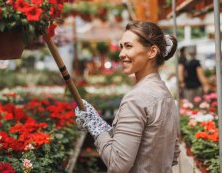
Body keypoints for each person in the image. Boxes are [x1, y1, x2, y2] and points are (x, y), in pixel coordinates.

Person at [75, 21, 180, 173]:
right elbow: (173, 154)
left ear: (152, 52)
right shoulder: (166, 94)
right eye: (121, 47)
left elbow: (118, 165)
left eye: (128, 46)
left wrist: (96, 129)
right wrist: (105, 128)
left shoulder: (136, 98)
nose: (121, 53)